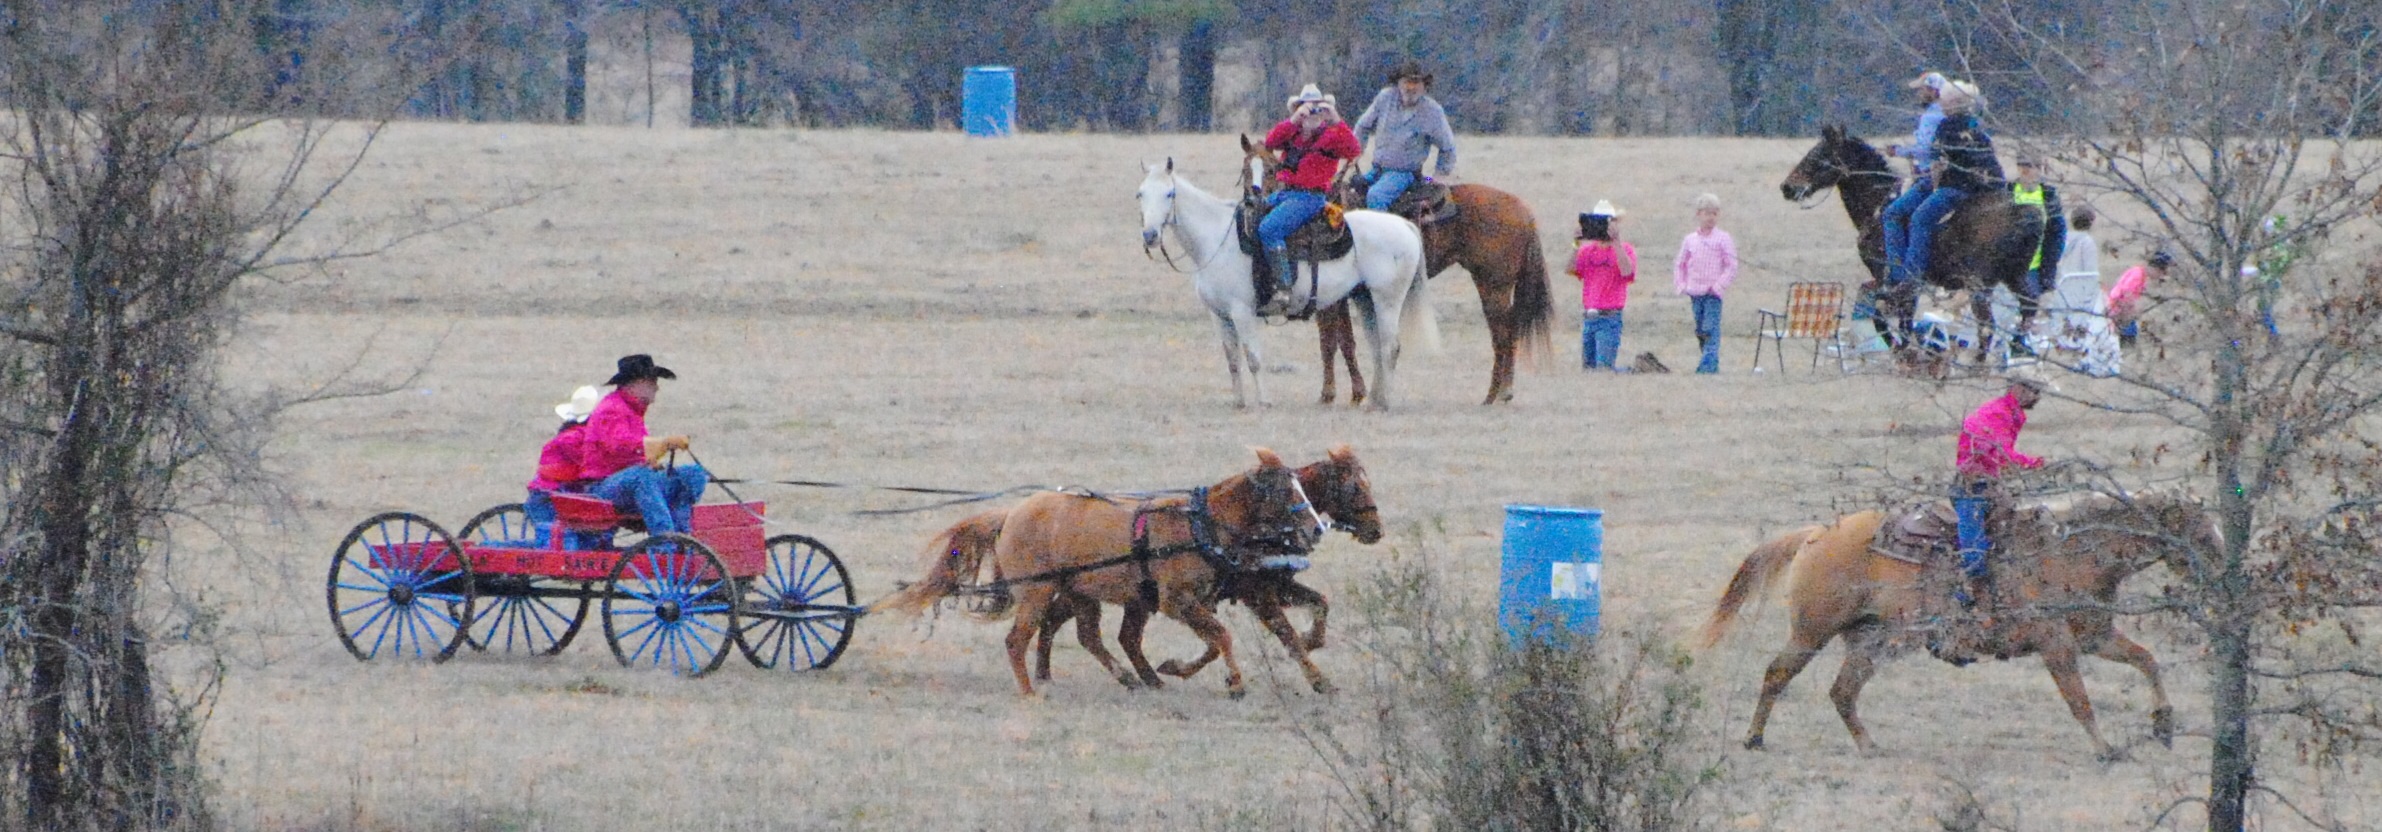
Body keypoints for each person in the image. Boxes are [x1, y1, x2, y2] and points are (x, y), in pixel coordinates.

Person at [1952, 370, 2053, 608]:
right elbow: (2001, 455)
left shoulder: (2009, 413)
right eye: (2034, 391)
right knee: (1975, 554)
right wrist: (2035, 464)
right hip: (1973, 489)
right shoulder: (1998, 414)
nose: (2037, 397)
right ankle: (1958, 596)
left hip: (1989, 485)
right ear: (2018, 389)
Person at [581, 354, 708, 538]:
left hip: (628, 483)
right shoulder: (611, 409)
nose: (657, 387)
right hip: (602, 488)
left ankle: (683, 535)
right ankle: (664, 541)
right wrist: (662, 444)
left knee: (693, 474)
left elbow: (633, 455)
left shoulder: (632, 411)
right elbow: (620, 446)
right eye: (652, 382)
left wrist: (652, 461)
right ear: (635, 384)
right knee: (641, 477)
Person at [1894, 80, 2001, 287]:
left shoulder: (1946, 126)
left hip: (1957, 188)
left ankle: (1911, 279)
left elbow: (1937, 159)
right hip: (1989, 187)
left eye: (1944, 100)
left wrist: (1935, 184)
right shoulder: (1977, 124)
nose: (1941, 104)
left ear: (1953, 103)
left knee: (1920, 218)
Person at [1261, 84, 1363, 293]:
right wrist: (1293, 120)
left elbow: (1354, 150)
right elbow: (1270, 142)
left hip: (1309, 198)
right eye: (1307, 106)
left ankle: (1284, 286)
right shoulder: (1292, 131)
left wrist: (1336, 120)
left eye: (1318, 107)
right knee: (1251, 213)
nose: (1312, 112)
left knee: (1268, 229)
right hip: (1284, 193)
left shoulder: (1333, 135)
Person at [1351, 61, 1458, 212]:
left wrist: (1439, 175)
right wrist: (1355, 152)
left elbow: (1448, 147)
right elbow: (1363, 126)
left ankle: (1381, 228)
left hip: (1406, 175)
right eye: (1407, 82)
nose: (1411, 87)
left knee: (1376, 196)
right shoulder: (1385, 98)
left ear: (1424, 85)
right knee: (1349, 191)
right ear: (1398, 83)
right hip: (1377, 170)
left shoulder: (1433, 111)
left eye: (1416, 82)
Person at [1880, 71, 1949, 287]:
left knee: (1892, 214)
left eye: (1922, 89)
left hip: (1930, 177)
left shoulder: (1931, 116)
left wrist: (1898, 151)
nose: (1919, 94)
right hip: (1947, 175)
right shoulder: (1949, 112)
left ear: (1933, 90)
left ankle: (1899, 275)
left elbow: (1925, 150)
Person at [523, 385, 601, 546]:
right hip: (548, 497)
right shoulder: (574, 438)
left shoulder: (575, 435)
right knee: (556, 543)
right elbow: (588, 464)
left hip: (560, 497)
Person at [1672, 193, 1738, 374]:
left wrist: (1718, 286)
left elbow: (1731, 265)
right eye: (1707, 213)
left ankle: (1708, 366)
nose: (1711, 218)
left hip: (1712, 294)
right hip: (1695, 292)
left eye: (1714, 214)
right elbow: (1680, 264)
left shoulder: (1723, 238)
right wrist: (1681, 285)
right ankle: (1708, 361)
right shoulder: (1690, 239)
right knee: (1701, 330)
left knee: (1710, 328)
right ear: (1698, 214)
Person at [1567, 200, 1636, 370]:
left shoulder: (1625, 250)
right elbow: (1570, 269)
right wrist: (1576, 244)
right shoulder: (1587, 251)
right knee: (1589, 368)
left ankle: (1631, 372)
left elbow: (1627, 272)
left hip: (1610, 316)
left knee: (1604, 369)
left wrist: (1616, 242)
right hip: (1590, 316)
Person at [2010, 155, 2066, 349]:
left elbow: (2057, 233)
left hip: (2034, 265)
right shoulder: (2008, 191)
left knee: (2029, 307)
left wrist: (2049, 270)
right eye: (2023, 167)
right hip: (2009, 264)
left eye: (2031, 167)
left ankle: (2020, 343)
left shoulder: (2048, 195)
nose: (2027, 172)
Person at [2107, 250, 2170, 350]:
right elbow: (2126, 295)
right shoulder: (2138, 276)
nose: (2161, 276)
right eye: (2162, 272)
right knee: (2128, 341)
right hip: (2119, 312)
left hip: (2119, 311)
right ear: (2157, 269)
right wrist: (2129, 313)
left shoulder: (2138, 273)